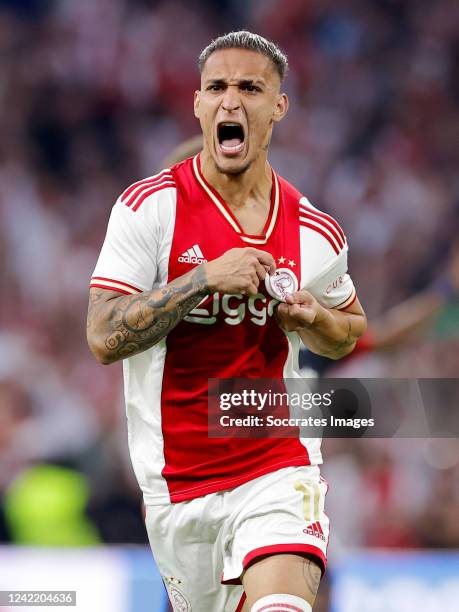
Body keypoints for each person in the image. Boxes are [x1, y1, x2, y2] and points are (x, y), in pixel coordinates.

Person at [87, 31, 366, 612]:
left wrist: (314, 320)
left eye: (250, 87)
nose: (231, 101)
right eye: (217, 87)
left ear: (279, 107)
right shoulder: (148, 208)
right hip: (176, 484)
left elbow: (350, 329)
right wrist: (202, 280)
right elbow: (102, 337)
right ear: (198, 104)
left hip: (277, 461)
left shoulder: (314, 230)